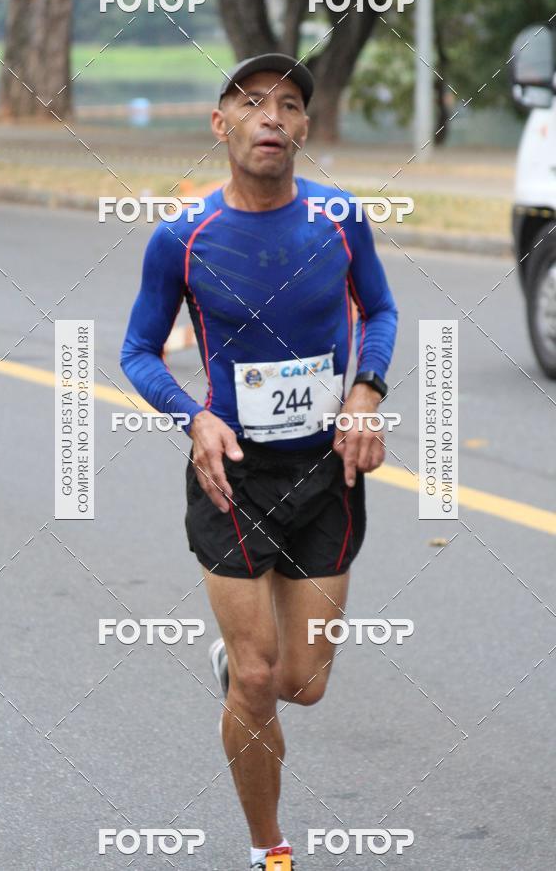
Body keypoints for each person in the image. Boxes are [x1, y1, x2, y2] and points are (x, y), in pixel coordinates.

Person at [121, 53, 398, 870]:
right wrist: (192, 417)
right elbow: (138, 351)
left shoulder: (340, 216)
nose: (271, 115)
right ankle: (268, 850)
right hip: (231, 473)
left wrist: (367, 392)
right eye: (251, 103)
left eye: (288, 104)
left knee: (301, 683)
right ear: (222, 126)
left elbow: (378, 308)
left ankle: (250, 669)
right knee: (256, 676)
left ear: (305, 129)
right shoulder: (183, 236)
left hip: (325, 472)